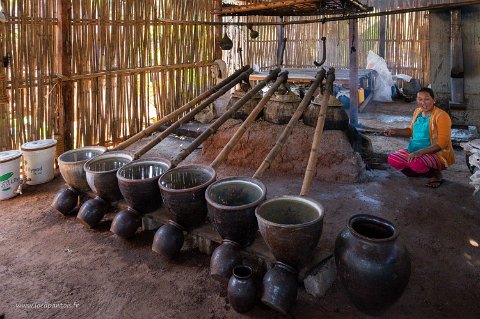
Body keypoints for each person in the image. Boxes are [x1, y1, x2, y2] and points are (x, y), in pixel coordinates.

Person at [384, 88, 455, 188]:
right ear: (416, 100)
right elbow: (410, 131)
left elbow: (442, 144)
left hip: (435, 153)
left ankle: (435, 174)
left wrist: (420, 153)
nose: (423, 103)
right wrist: (395, 131)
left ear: (434, 100)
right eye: (419, 99)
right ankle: (421, 171)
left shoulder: (442, 116)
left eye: (426, 99)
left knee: (415, 163)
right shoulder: (417, 112)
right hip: (414, 149)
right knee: (392, 159)